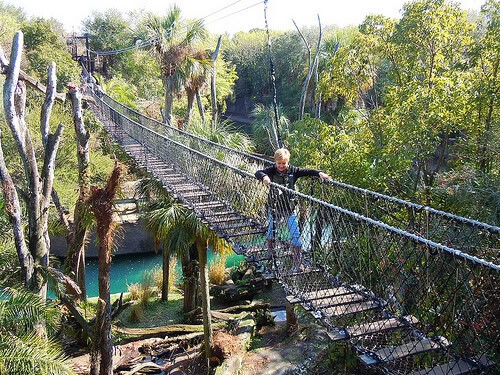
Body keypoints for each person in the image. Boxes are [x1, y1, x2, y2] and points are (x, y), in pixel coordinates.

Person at [255, 148, 331, 271]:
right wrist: (264, 177)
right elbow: (258, 172)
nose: (281, 166)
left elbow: (308, 171)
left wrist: (319, 173)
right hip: (275, 208)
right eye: (279, 163)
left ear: (287, 162)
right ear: (275, 162)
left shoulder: (293, 171)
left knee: (295, 235)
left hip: (290, 209)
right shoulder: (272, 170)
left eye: (283, 163)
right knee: (271, 231)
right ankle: (270, 253)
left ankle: (298, 263)